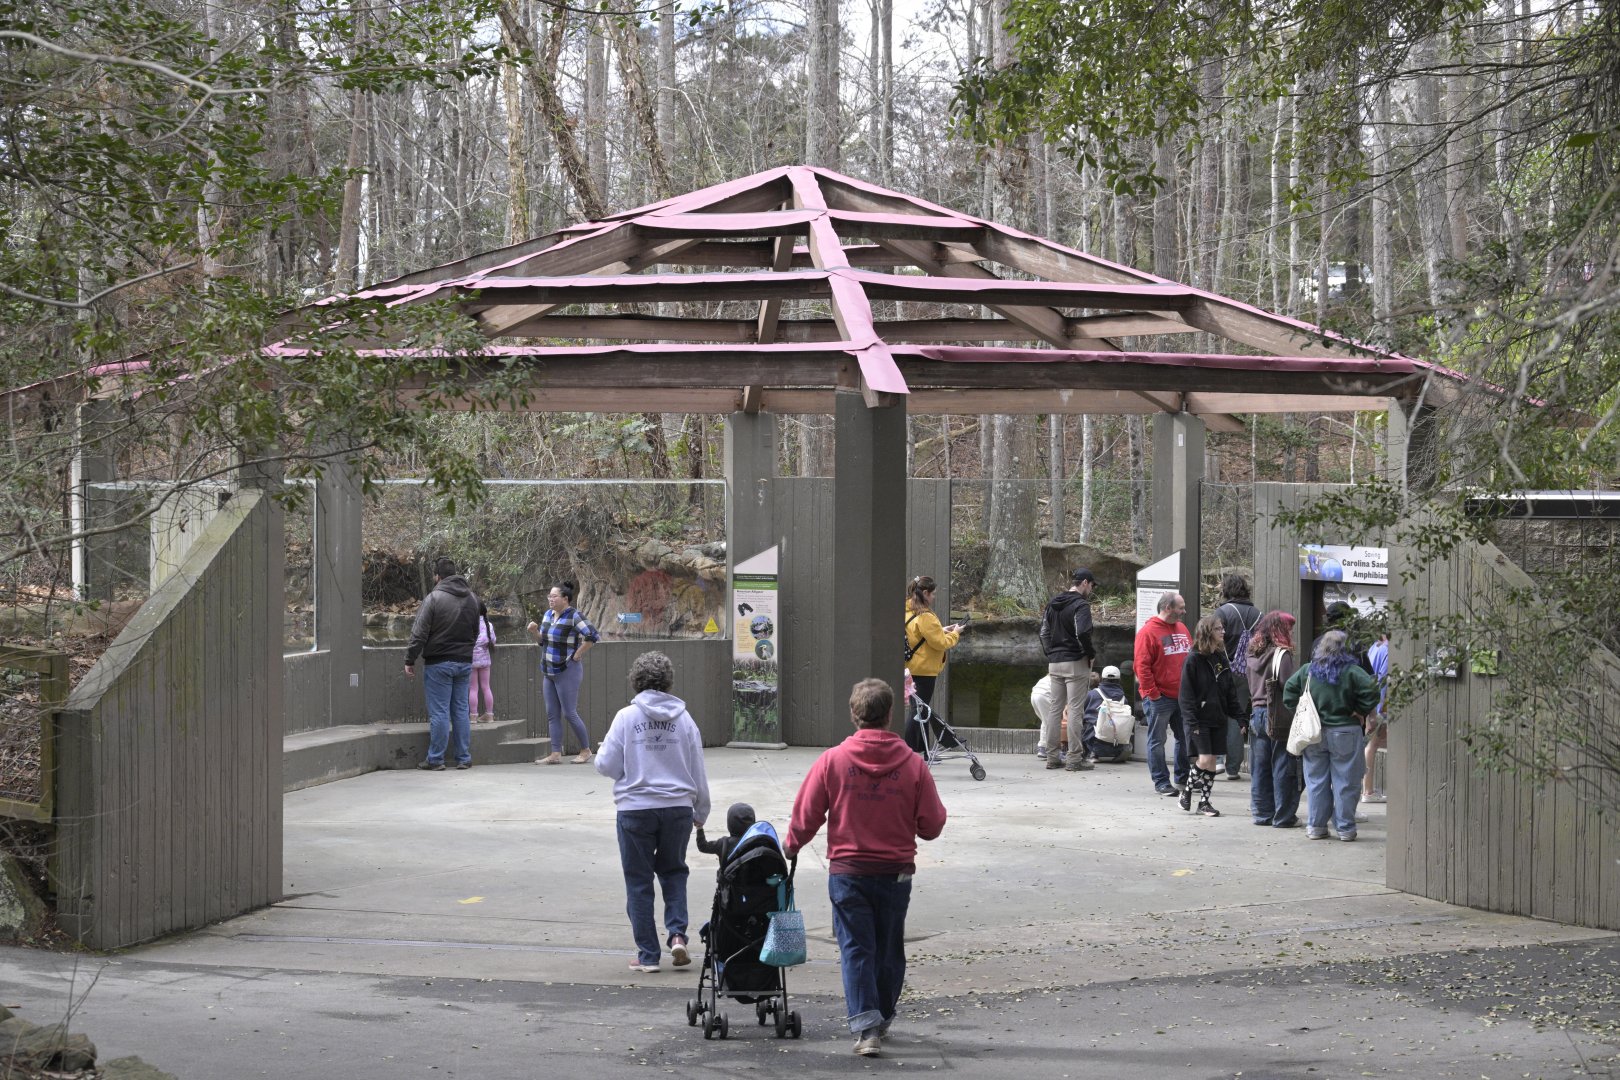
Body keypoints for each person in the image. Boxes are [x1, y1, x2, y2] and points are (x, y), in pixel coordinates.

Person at [783, 678, 948, 1058]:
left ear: (854, 715)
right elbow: (933, 825)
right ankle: (884, 1015)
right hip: (896, 871)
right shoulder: (912, 765)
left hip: (848, 871)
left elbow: (806, 814)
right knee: (889, 947)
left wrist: (790, 845)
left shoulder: (833, 760)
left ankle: (866, 1027)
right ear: (891, 715)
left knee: (856, 947)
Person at [594, 650, 711, 972]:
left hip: (636, 810)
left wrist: (628, 769)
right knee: (674, 872)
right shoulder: (685, 720)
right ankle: (677, 936)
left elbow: (606, 764)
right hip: (677, 809)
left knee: (639, 881)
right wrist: (701, 809)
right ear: (668, 682)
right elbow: (697, 768)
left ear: (636, 681)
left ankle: (647, 956)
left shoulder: (626, 718)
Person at [1283, 630, 1382, 841]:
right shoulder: (1353, 671)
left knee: (1316, 781)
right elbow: (1373, 691)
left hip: (1314, 733)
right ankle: (1345, 828)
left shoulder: (1308, 671)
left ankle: (1316, 827)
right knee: (1346, 781)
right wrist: (1360, 710)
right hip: (1346, 731)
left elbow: (1289, 691)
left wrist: (1302, 710)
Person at [403, 557, 481, 771]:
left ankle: (435, 759)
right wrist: (465, 651)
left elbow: (419, 633)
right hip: (464, 662)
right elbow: (476, 632)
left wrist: (410, 659)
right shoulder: (473, 599)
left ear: (438, 577)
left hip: (439, 663)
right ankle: (463, 758)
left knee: (439, 713)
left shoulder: (434, 598)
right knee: (461, 711)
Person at [1177, 615, 1244, 817]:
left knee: (1213, 763)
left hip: (1218, 718)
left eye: (1222, 628)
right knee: (1204, 759)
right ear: (1208, 633)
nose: (1222, 632)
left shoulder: (1221, 659)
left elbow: (1230, 692)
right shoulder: (1193, 660)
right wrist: (1192, 722)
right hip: (1199, 720)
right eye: (1217, 629)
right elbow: (1186, 695)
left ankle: (1204, 802)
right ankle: (1187, 792)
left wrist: (1240, 717)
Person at [528, 581, 601, 765]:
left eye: (554, 596)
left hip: (567, 670)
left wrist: (578, 654)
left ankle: (585, 750)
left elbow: (593, 635)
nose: (550, 599)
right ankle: (555, 754)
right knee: (552, 713)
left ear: (565, 599)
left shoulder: (574, 615)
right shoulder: (547, 615)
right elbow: (542, 642)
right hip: (548, 671)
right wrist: (534, 632)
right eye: (549, 596)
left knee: (569, 713)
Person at [1038, 568, 1099, 773]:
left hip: (1055, 663)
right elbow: (1082, 632)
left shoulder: (1053, 603)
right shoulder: (1081, 605)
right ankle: (1074, 758)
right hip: (1075, 661)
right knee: (1075, 710)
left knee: (1055, 710)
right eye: (1091, 585)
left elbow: (1044, 632)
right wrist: (1089, 653)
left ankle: (1052, 757)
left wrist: (1051, 653)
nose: (1091, 589)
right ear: (1084, 583)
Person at [1246, 611, 1302, 827]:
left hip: (1257, 714)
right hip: (1277, 715)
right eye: (1289, 628)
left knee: (1259, 766)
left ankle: (1261, 813)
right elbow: (1288, 687)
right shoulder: (1282, 655)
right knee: (1282, 763)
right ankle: (1283, 816)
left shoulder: (1252, 653)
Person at [1135, 591, 1192, 797]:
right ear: (1167, 608)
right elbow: (1141, 667)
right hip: (1160, 698)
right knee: (1157, 741)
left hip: (1182, 696)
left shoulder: (1182, 628)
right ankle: (1161, 781)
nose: (1184, 611)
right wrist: (1153, 694)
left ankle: (1183, 777)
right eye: (1181, 608)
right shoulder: (1148, 632)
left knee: (1184, 738)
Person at [902, 575, 963, 754]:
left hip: (911, 667)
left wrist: (942, 630)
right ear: (926, 593)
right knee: (919, 711)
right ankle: (909, 750)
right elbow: (940, 643)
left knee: (920, 709)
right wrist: (956, 633)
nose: (934, 597)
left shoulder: (908, 612)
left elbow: (920, 636)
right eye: (933, 594)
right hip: (924, 669)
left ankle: (923, 750)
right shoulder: (926, 616)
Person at [1214, 574, 1262, 780]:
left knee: (1216, 714)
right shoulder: (1258, 615)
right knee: (1237, 715)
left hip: (1223, 669)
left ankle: (1216, 760)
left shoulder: (1223, 612)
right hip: (1248, 671)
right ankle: (1233, 767)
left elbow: (1214, 640)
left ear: (1227, 589)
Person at [1082, 665, 1132, 764]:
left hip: (1095, 742)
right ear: (1119, 680)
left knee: (1083, 721)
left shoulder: (1092, 694)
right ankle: (1120, 751)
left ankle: (1091, 753)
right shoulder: (1123, 699)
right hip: (1117, 743)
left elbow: (1080, 713)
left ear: (1102, 678)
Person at [1362, 633, 1391, 804]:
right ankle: (1368, 790)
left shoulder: (1375, 646)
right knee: (1372, 745)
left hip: (1372, 702)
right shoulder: (1387, 650)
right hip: (1380, 706)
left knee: (1371, 744)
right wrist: (1378, 710)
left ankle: (1367, 789)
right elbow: (1383, 681)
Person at [469, 601, 497, 724]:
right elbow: (493, 641)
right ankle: (489, 715)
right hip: (485, 660)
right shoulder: (488, 625)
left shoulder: (468, 624)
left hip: (471, 660)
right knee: (486, 687)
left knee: (473, 689)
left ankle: (473, 716)